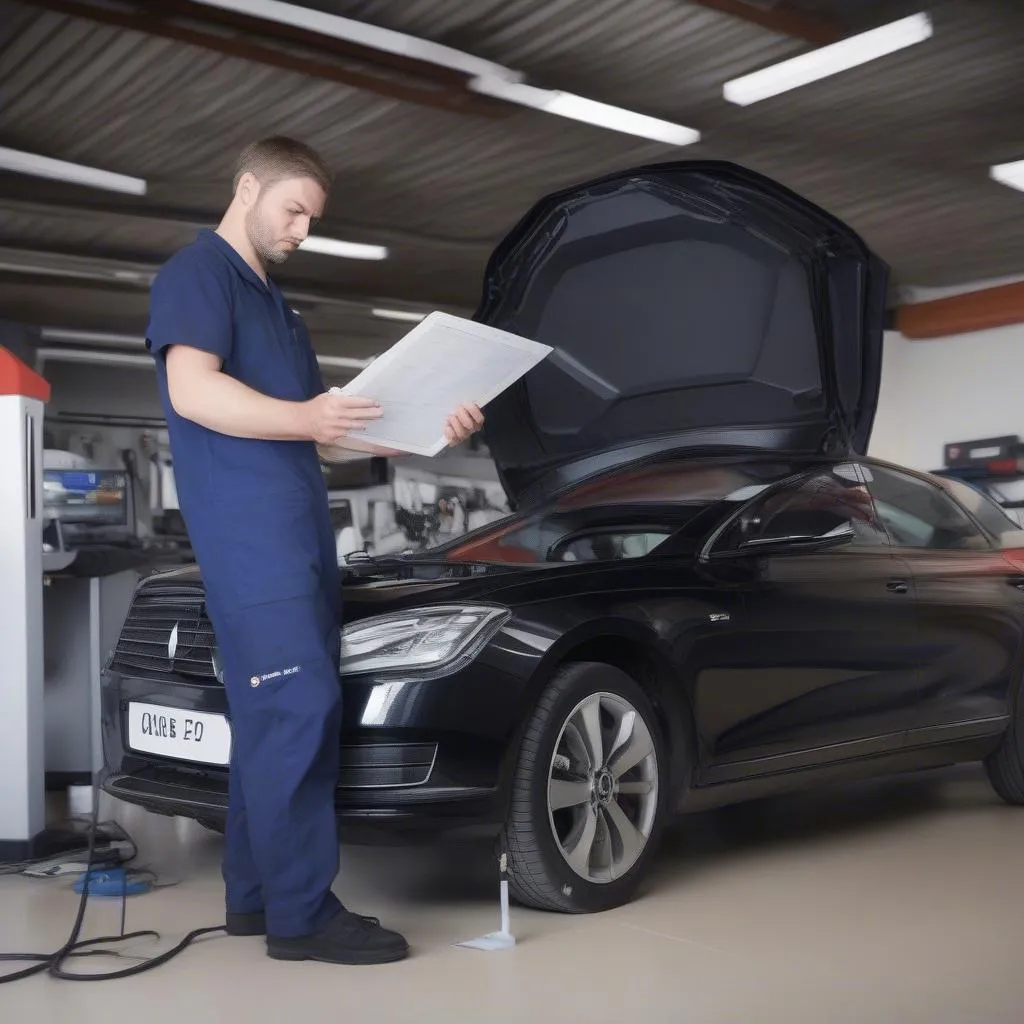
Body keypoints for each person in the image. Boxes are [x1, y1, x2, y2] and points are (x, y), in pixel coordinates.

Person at [145, 136, 483, 964]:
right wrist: (308, 418)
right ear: (247, 186)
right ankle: (302, 917)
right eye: (293, 210)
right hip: (252, 545)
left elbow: (319, 440)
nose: (302, 229)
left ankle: (255, 899)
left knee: (271, 721)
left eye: (313, 218)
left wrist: (423, 433)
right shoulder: (199, 274)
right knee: (297, 714)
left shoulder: (279, 307)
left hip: (298, 543)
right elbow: (195, 392)